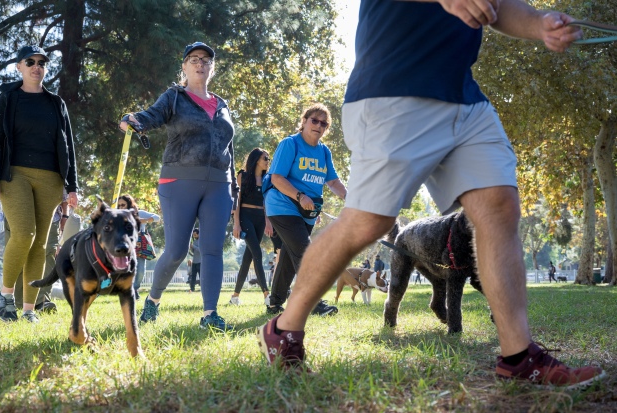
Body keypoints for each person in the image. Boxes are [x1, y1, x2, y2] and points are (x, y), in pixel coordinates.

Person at [256, 1, 606, 388]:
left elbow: (494, 5)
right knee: (370, 220)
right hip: (393, 85)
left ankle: (518, 356)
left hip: (463, 94)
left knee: (498, 205)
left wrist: (540, 23)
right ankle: (284, 329)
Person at [119, 41, 237, 331]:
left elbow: (228, 150)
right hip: (178, 180)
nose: (201, 64)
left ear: (212, 67)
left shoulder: (223, 105)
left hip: (219, 185)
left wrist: (233, 189)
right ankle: (152, 300)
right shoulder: (174, 97)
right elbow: (151, 116)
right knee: (176, 251)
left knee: (212, 250)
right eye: (194, 59)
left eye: (206, 60)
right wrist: (134, 120)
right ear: (184, 66)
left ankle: (211, 314)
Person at [0, 45, 78, 324]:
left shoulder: (56, 103)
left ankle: (29, 309)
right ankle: (6, 296)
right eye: (30, 61)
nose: (37, 66)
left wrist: (72, 186)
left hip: (51, 178)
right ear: (18, 67)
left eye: (42, 62)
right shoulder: (7, 97)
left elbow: (68, 145)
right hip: (14, 174)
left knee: (40, 245)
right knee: (24, 234)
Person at [263, 103, 347, 316]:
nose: (318, 125)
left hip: (308, 212)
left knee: (290, 258)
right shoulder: (290, 144)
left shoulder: (324, 151)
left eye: (323, 123)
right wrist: (300, 196)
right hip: (282, 205)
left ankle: (274, 303)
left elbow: (333, 182)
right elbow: (277, 178)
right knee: (306, 252)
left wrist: (352, 199)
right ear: (304, 121)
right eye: (314, 120)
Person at [11, 190, 70, 313]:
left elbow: (63, 186)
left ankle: (42, 302)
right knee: (21, 255)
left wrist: (65, 215)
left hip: (51, 217)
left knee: (48, 256)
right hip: (20, 215)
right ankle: (18, 301)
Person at [230, 148, 272, 305]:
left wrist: (268, 222)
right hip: (245, 218)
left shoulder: (267, 179)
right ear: (256, 160)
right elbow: (237, 202)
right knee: (258, 254)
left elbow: (266, 203)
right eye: (265, 158)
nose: (268, 161)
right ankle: (267, 295)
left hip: (260, 219)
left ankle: (235, 296)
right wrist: (236, 224)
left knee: (248, 258)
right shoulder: (243, 176)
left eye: (268, 159)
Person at [117, 194, 160, 300]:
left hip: (140, 245)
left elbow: (157, 218)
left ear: (129, 204)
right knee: (126, 269)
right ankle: (129, 290)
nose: (121, 207)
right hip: (125, 245)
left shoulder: (139, 213)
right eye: (119, 205)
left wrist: (143, 220)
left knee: (140, 270)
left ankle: (135, 288)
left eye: (123, 204)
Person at [187, 228, 201, 293]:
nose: (194, 236)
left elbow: (200, 250)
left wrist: (194, 246)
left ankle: (203, 289)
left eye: (195, 234)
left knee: (201, 276)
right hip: (194, 262)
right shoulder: (194, 241)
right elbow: (194, 251)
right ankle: (192, 289)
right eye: (193, 235)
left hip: (200, 262)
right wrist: (191, 248)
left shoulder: (201, 241)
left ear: (198, 234)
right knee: (193, 276)